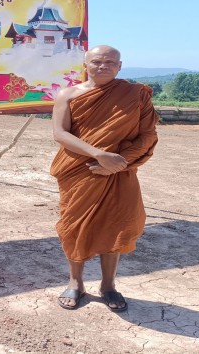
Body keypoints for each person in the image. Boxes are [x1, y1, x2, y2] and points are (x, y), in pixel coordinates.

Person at [50, 45, 158, 311]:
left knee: (116, 225)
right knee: (74, 226)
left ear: (120, 66)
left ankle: (108, 285)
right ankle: (76, 283)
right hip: (80, 170)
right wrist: (99, 155)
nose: (103, 66)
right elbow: (61, 134)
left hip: (120, 172)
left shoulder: (136, 94)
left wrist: (117, 164)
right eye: (97, 61)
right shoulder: (68, 94)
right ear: (86, 64)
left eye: (110, 62)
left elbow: (148, 136)